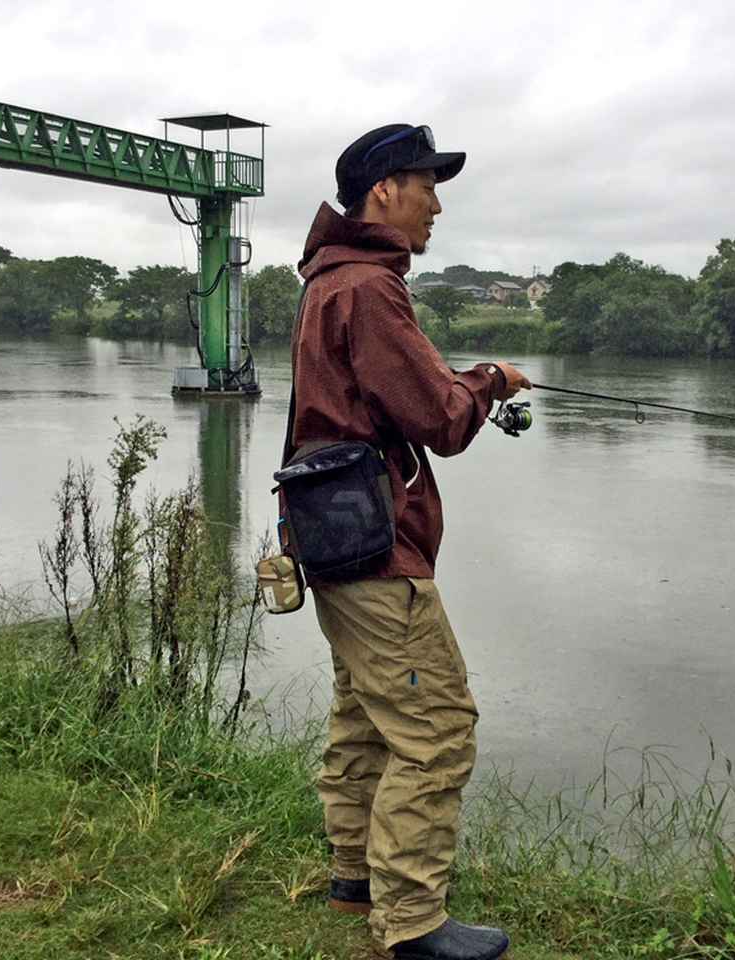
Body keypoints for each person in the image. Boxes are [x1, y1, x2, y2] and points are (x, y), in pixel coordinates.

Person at [289, 123, 529, 960]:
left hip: (335, 542)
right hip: (378, 548)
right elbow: (440, 418)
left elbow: (393, 397)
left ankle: (357, 879)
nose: (437, 205)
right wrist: (489, 380)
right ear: (384, 191)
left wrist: (454, 380)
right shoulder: (369, 288)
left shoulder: (331, 281)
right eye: (429, 186)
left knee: (363, 714)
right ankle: (413, 923)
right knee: (436, 726)